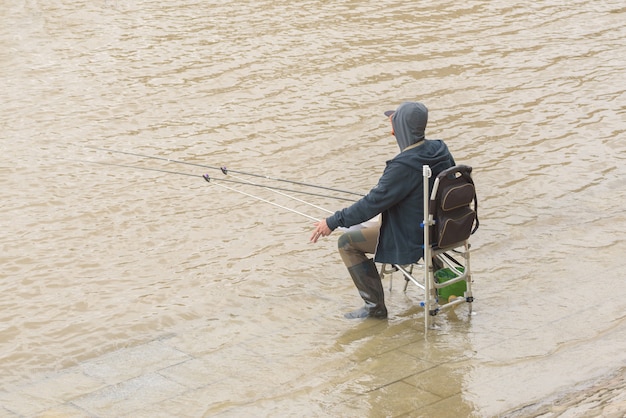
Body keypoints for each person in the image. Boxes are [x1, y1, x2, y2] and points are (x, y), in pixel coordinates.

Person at [310, 101, 456, 319]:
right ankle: (440, 285)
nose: (391, 131)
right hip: (443, 230)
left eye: (393, 124)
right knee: (376, 223)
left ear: (402, 128)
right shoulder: (440, 149)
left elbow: (370, 204)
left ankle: (375, 308)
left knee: (347, 243)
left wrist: (332, 222)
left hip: (414, 237)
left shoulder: (402, 166)